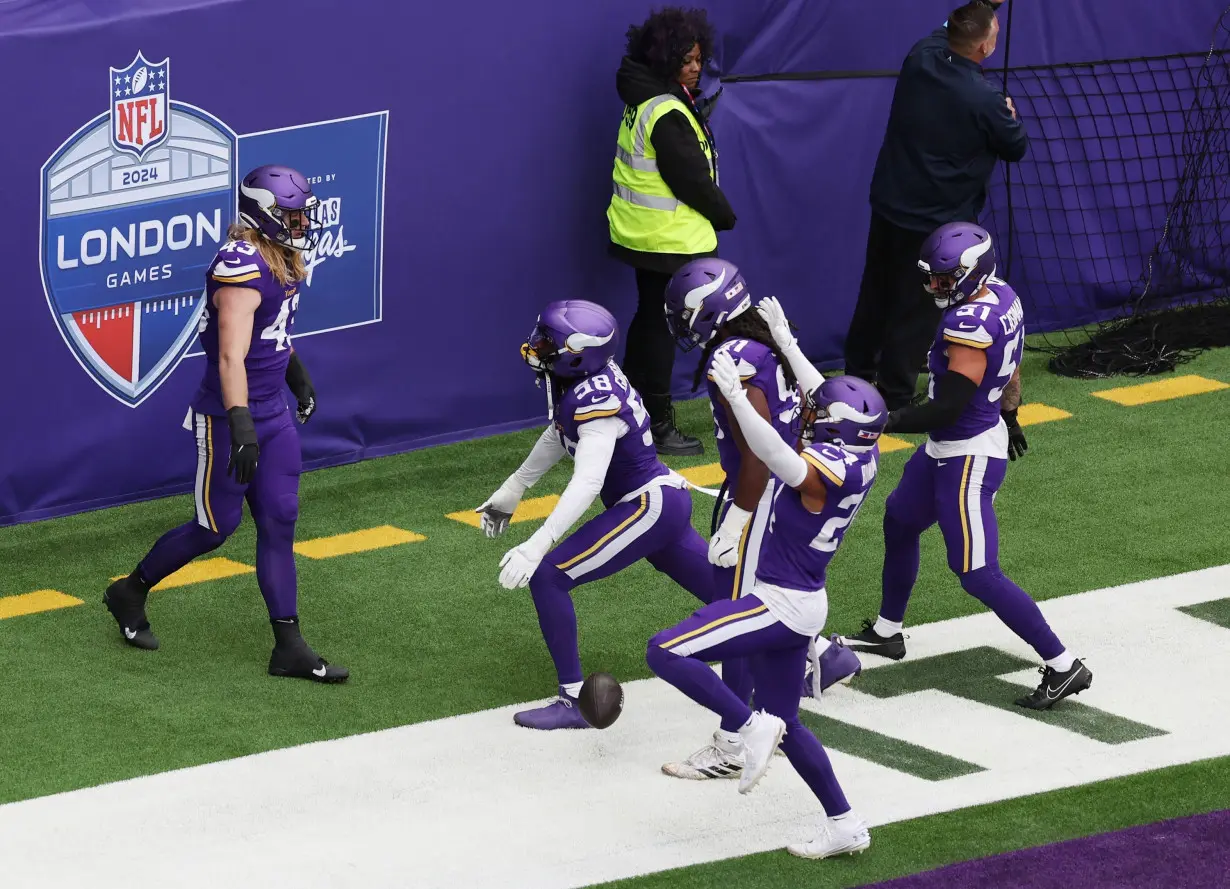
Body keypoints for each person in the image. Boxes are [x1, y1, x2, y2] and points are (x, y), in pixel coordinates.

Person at [102, 164, 348, 683]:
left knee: (280, 519)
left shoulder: (279, 254)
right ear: (260, 212)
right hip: (228, 414)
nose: (300, 222)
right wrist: (238, 423)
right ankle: (130, 590)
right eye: (289, 213)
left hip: (273, 413)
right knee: (216, 527)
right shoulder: (239, 264)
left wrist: (296, 377)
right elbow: (230, 357)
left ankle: (289, 645)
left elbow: (274, 332)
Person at [646, 348, 886, 860]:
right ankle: (845, 823)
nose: (808, 415)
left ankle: (748, 729)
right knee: (789, 723)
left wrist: (736, 398)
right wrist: (788, 343)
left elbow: (775, 454)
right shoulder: (863, 453)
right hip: (802, 599)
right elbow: (834, 401)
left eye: (818, 417)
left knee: (664, 651)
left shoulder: (823, 473)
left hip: (780, 602)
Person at [845, 222, 1093, 710]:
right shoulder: (1001, 295)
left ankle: (1064, 665)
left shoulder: (969, 322)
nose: (936, 287)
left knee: (977, 572)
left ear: (969, 271)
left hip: (967, 453)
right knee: (900, 520)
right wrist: (1012, 414)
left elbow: (948, 407)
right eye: (932, 278)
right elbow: (1013, 365)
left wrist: (883, 421)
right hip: (951, 445)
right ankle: (887, 631)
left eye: (943, 278)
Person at [657, 260, 862, 781]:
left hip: (764, 490)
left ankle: (733, 742)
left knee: (739, 608)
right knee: (743, 603)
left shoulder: (733, 355)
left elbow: (754, 451)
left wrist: (737, 519)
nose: (683, 325)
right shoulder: (761, 339)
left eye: (687, 314)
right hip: (776, 483)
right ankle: (821, 656)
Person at [475, 299, 716, 730]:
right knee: (728, 594)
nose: (537, 346)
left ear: (578, 352)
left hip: (647, 506)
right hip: (660, 503)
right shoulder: (583, 380)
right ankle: (818, 653)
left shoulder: (595, 401)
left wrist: (537, 544)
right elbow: (559, 432)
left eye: (548, 341)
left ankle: (573, 701)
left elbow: (587, 482)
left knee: (548, 574)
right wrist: (514, 488)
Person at [843, 0, 1025, 411]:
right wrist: (1010, 114)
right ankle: (894, 397)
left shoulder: (919, 57)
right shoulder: (985, 99)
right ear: (984, 49)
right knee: (917, 309)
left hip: (890, 205)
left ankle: (855, 378)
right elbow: (1016, 146)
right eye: (992, 32)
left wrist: (983, 5)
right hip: (936, 224)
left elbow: (948, 27)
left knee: (876, 293)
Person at [608, 6, 737, 456]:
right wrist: (725, 215)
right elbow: (691, 180)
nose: (696, 66)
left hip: (643, 236)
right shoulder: (666, 110)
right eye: (687, 60)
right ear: (665, 60)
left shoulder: (647, 99)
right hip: (669, 241)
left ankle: (624, 409)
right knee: (660, 330)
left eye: (700, 58)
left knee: (648, 321)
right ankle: (659, 423)